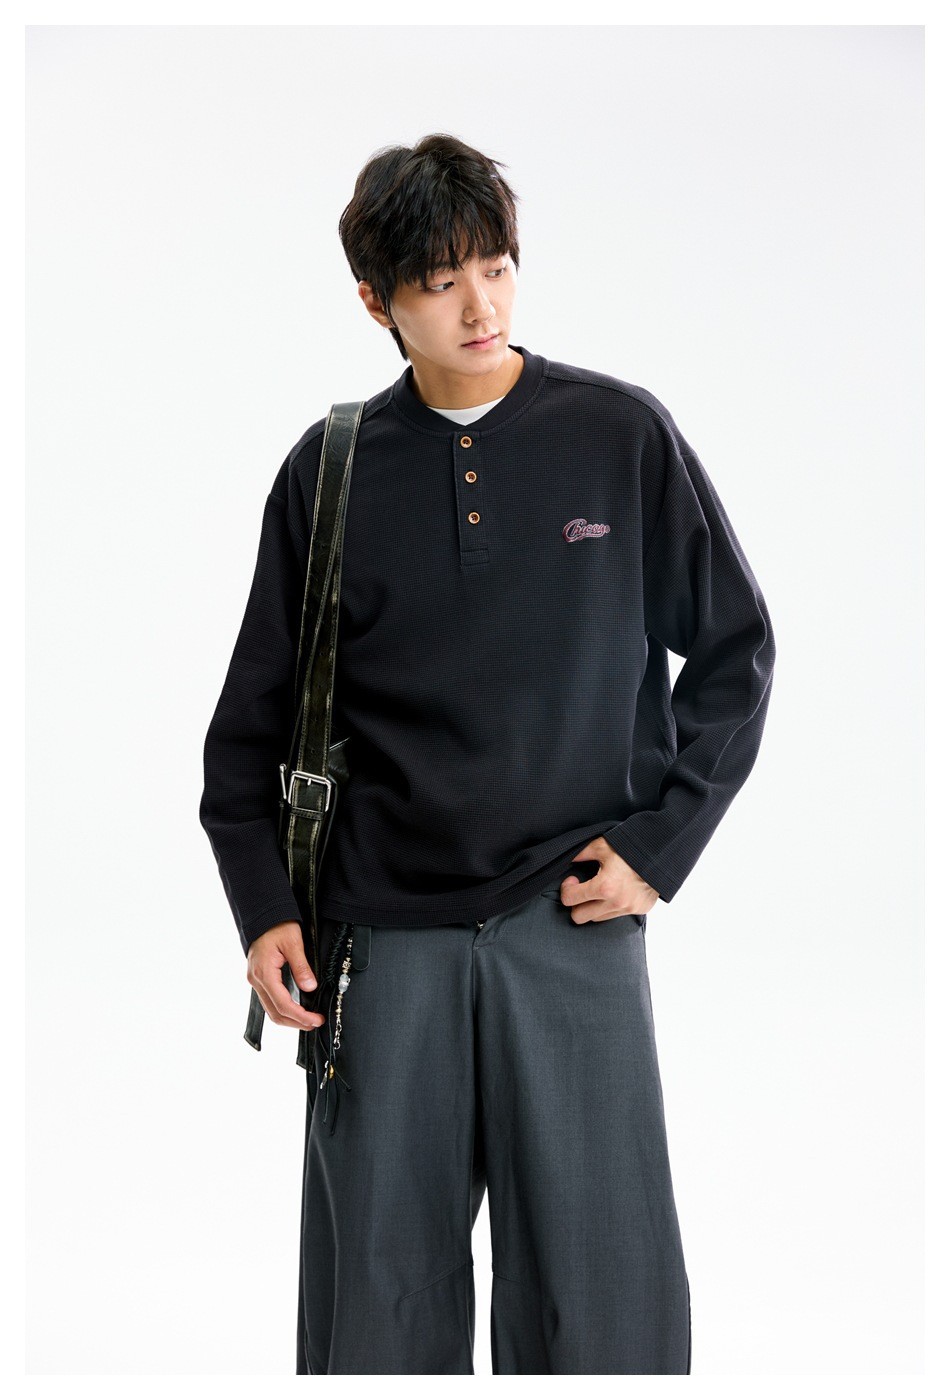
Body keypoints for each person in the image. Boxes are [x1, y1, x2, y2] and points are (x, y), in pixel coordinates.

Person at [199, 132, 777, 1375]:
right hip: (378, 942)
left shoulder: (617, 434)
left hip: (571, 919)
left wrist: (657, 848)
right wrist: (264, 910)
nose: (480, 306)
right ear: (376, 302)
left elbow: (736, 651)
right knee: (376, 1311)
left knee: (601, 1303)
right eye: (440, 280)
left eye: (497, 267)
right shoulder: (328, 472)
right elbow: (246, 730)